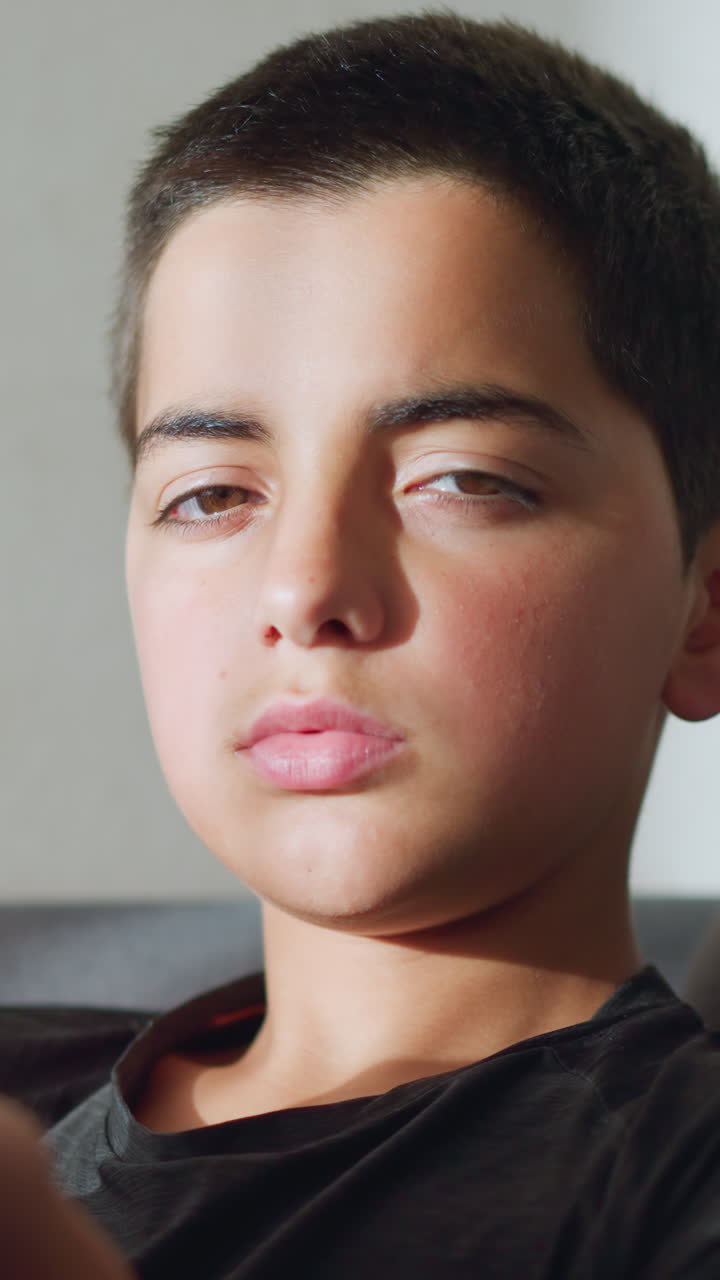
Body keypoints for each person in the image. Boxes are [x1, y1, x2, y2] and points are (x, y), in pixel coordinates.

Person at [3, 8, 720, 1277]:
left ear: (704, 606)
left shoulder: (669, 1178)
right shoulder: (28, 1079)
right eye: (213, 493)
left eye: (461, 480)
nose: (307, 587)